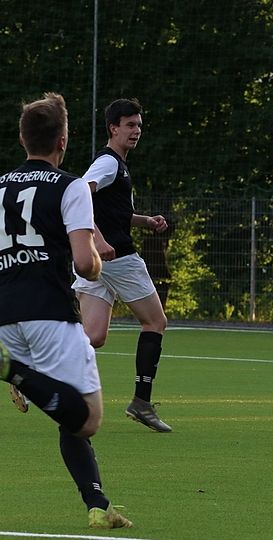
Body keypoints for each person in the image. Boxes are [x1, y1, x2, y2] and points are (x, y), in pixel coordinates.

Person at [0, 92, 133, 528]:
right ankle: (13, 370)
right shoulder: (71, 186)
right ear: (62, 141)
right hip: (50, 313)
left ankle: (98, 505)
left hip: (4, 316)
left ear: (23, 139)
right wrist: (97, 260)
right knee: (88, 418)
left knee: (67, 413)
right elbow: (83, 263)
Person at [72, 98, 172, 432]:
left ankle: (29, 366)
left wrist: (145, 221)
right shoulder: (108, 163)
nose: (136, 131)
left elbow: (114, 213)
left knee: (93, 336)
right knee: (155, 321)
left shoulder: (118, 167)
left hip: (100, 260)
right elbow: (79, 194)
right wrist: (98, 239)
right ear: (113, 128)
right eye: (129, 125)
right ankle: (142, 402)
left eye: (139, 125)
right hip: (117, 258)